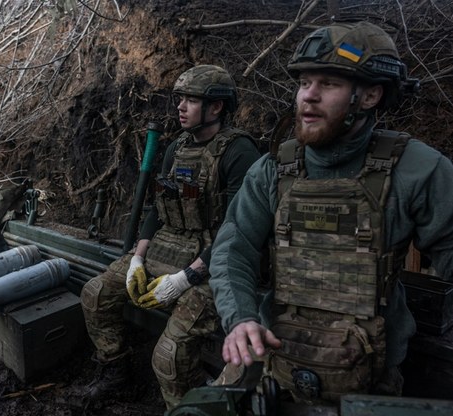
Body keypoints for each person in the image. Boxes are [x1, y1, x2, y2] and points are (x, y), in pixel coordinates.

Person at [209, 20, 453, 405]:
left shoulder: (419, 170)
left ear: (370, 95)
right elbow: (233, 247)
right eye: (305, 82)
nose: (308, 96)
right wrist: (240, 319)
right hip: (274, 362)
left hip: (370, 384)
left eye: (329, 84)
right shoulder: (274, 168)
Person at [80, 64, 261, 409]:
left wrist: (186, 277)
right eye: (180, 99)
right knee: (95, 293)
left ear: (216, 107)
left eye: (191, 100)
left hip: (214, 264)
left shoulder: (239, 153)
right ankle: (116, 371)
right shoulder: (175, 149)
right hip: (166, 248)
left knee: (170, 354)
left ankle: (186, 406)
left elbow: (238, 227)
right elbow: (157, 208)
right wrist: (136, 257)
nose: (179, 107)